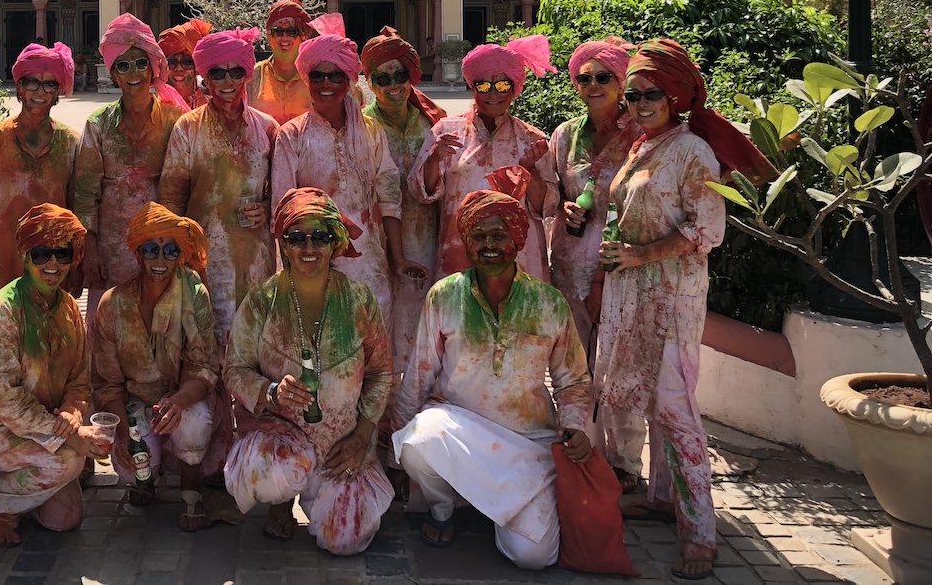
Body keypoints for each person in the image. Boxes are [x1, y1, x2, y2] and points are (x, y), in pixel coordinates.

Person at [593, 39, 771, 582]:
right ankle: (662, 499)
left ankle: (700, 533)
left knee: (676, 409)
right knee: (650, 398)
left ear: (676, 97)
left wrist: (641, 254)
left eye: (653, 94)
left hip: (671, 297)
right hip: (633, 291)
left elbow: (707, 230)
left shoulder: (692, 151)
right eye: (634, 95)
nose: (641, 104)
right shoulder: (644, 145)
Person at [393, 174, 593, 569]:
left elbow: (573, 380)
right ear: (466, 242)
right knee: (416, 440)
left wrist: (576, 426)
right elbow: (418, 374)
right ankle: (444, 509)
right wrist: (394, 455)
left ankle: (492, 506)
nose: (489, 245)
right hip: (459, 430)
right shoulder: (445, 294)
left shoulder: (548, 303)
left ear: (517, 240)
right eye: (479, 236)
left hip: (527, 446)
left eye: (499, 235)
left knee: (534, 557)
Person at [223, 189, 394, 555]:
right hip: (281, 438)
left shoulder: (360, 299)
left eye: (320, 236)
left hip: (342, 443)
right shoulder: (261, 301)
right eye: (296, 237)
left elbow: (381, 373)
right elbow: (234, 370)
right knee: (267, 473)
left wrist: (362, 437)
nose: (309, 247)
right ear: (283, 244)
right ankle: (281, 503)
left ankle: (331, 492)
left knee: (345, 541)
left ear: (335, 242)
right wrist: (270, 391)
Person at [0, 204, 104, 544]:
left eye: (62, 254)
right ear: (25, 255)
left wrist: (72, 413)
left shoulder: (69, 308)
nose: (53, 263)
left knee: (65, 520)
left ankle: (17, 493)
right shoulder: (0, 312)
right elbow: (9, 404)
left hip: (42, 424)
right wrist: (69, 435)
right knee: (69, 460)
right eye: (42, 253)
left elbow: (80, 381)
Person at [541, 37, 645, 491]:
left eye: (604, 77)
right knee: (574, 363)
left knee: (621, 363)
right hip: (570, 263)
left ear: (622, 83)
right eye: (585, 78)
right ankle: (580, 450)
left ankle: (624, 464)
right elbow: (550, 192)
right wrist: (562, 205)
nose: (594, 85)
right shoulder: (565, 135)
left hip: (621, 264)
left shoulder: (641, 135)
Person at [271, 33, 420, 324]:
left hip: (369, 263)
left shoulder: (372, 132)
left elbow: (389, 197)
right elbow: (283, 209)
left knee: (372, 338)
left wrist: (399, 259)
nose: (326, 84)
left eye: (335, 76)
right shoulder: (292, 135)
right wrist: (290, 270)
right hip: (312, 261)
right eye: (318, 76)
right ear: (307, 80)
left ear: (349, 81)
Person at [91, 202, 220, 531]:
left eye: (170, 250)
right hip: (136, 403)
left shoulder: (194, 294)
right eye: (151, 249)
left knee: (194, 421)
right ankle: (146, 478)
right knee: (133, 462)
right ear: (138, 254)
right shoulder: (113, 304)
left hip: (182, 397)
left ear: (180, 255)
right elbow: (106, 383)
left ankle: (191, 489)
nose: (160, 259)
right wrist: (125, 434)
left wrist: (177, 402)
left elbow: (204, 366)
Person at [159, 27, 278, 343]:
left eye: (236, 72)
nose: (227, 81)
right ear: (206, 78)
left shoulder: (268, 129)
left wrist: (267, 208)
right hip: (204, 261)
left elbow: (282, 192)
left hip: (257, 259)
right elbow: (171, 197)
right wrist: (174, 255)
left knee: (254, 340)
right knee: (205, 341)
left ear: (246, 75)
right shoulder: (188, 128)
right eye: (217, 73)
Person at [408, 36, 557, 281]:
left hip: (519, 258)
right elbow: (421, 192)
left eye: (502, 86)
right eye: (484, 86)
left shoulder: (531, 138)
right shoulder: (446, 131)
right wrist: (434, 160)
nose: (493, 94)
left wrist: (530, 171)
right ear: (472, 86)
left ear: (514, 88)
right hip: (460, 251)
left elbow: (546, 207)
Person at [73, 14, 186, 332]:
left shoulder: (175, 120)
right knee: (105, 334)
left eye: (140, 63)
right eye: (122, 65)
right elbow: (85, 193)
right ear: (113, 74)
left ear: (152, 68)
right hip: (110, 252)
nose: (133, 72)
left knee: (158, 334)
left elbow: (182, 187)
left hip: (161, 250)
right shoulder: (98, 125)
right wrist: (90, 251)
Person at [360, 27, 447, 377]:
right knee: (382, 317)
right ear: (370, 83)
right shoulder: (362, 125)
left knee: (422, 315)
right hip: (377, 239)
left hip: (425, 234)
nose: (393, 86)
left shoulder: (432, 122)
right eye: (383, 79)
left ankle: (419, 392)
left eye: (400, 76)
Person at [0, 42, 79, 290]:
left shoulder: (70, 142)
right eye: (31, 82)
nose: (40, 91)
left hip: (53, 267)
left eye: (50, 84)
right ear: (19, 87)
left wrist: (75, 268)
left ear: (58, 92)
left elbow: (76, 210)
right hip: (3, 263)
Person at [245, 0, 315, 125]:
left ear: (303, 36)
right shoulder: (252, 77)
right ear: (268, 35)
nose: (284, 37)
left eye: (292, 32)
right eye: (278, 31)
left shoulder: (318, 77)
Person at [159, 18, 212, 109]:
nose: (179, 68)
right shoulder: (152, 105)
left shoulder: (211, 107)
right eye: (172, 63)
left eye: (187, 63)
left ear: (196, 69)